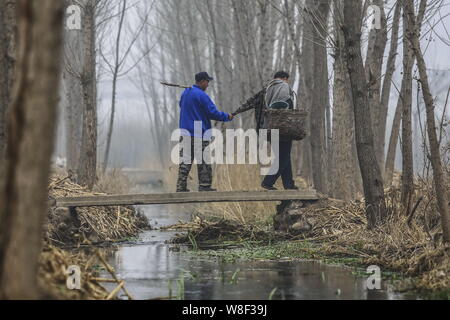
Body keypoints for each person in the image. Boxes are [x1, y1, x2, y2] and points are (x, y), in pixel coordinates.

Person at [176, 72, 233, 192]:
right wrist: (227, 116)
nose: (208, 85)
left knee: (185, 161)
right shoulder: (202, 96)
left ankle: (181, 187)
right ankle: (204, 186)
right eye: (207, 82)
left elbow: (181, 105)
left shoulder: (185, 93)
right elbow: (213, 113)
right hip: (199, 133)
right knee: (204, 161)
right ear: (202, 81)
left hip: (185, 132)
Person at [261, 71, 299, 191]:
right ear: (284, 78)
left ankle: (289, 184)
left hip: (270, 127)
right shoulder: (283, 86)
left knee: (282, 156)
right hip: (283, 127)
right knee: (284, 157)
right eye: (287, 79)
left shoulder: (268, 88)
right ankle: (268, 181)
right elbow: (283, 103)